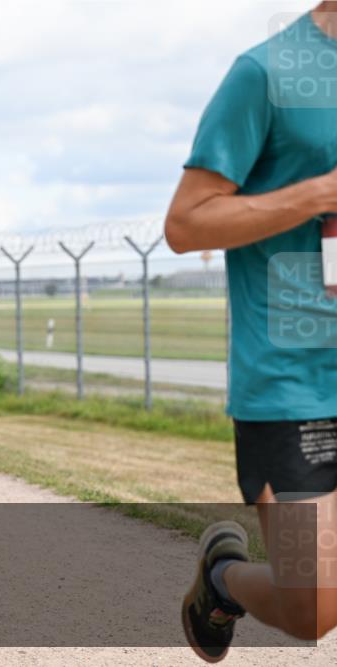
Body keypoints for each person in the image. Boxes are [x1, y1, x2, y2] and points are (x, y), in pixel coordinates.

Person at [165, 4, 337, 661]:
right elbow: (187, 223)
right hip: (295, 381)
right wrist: (320, 192)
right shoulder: (266, 72)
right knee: (313, 606)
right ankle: (221, 579)